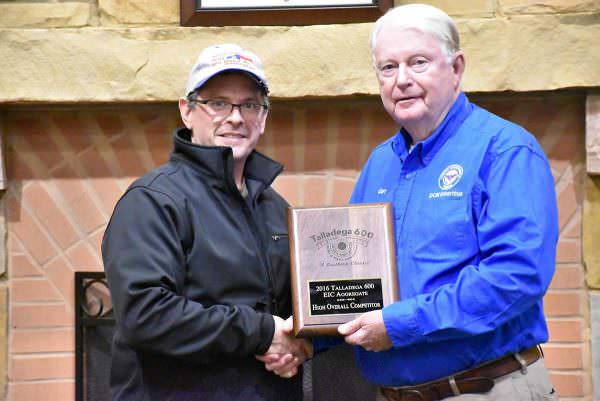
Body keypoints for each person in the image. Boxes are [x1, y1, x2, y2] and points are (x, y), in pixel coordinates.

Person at [268, 4, 559, 401]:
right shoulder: (379, 165)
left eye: (418, 63)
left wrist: (399, 324)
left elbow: (516, 276)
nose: (402, 80)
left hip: (486, 388)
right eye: (388, 68)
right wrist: (308, 340)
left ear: (456, 68)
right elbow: (356, 286)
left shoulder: (505, 151)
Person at [102, 43, 312, 401]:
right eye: (218, 103)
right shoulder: (153, 201)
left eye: (249, 105)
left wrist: (302, 343)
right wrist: (262, 332)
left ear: (263, 117)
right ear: (187, 111)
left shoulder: (275, 207)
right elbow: (146, 314)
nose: (235, 117)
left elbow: (294, 312)